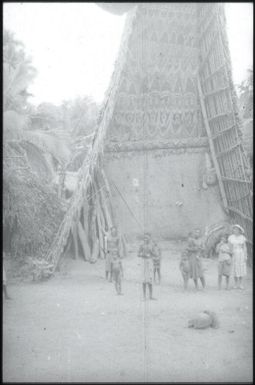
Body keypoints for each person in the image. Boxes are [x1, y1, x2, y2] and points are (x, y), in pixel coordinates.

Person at [228, 224, 247, 289]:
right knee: (235, 268)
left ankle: (241, 284)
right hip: (234, 254)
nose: (235, 230)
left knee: (241, 268)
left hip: (241, 254)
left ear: (239, 230)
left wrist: (245, 256)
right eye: (234, 229)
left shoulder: (242, 237)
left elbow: (244, 247)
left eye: (236, 229)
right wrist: (230, 254)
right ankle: (236, 284)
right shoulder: (231, 237)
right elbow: (229, 247)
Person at [138, 233, 156, 300]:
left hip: (150, 261)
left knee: (150, 278)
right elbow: (138, 254)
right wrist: (143, 254)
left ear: (150, 238)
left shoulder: (152, 245)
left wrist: (151, 253)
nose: (146, 239)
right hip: (143, 262)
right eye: (145, 238)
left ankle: (151, 296)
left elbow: (155, 254)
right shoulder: (142, 245)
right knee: (144, 279)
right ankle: (144, 296)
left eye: (147, 238)